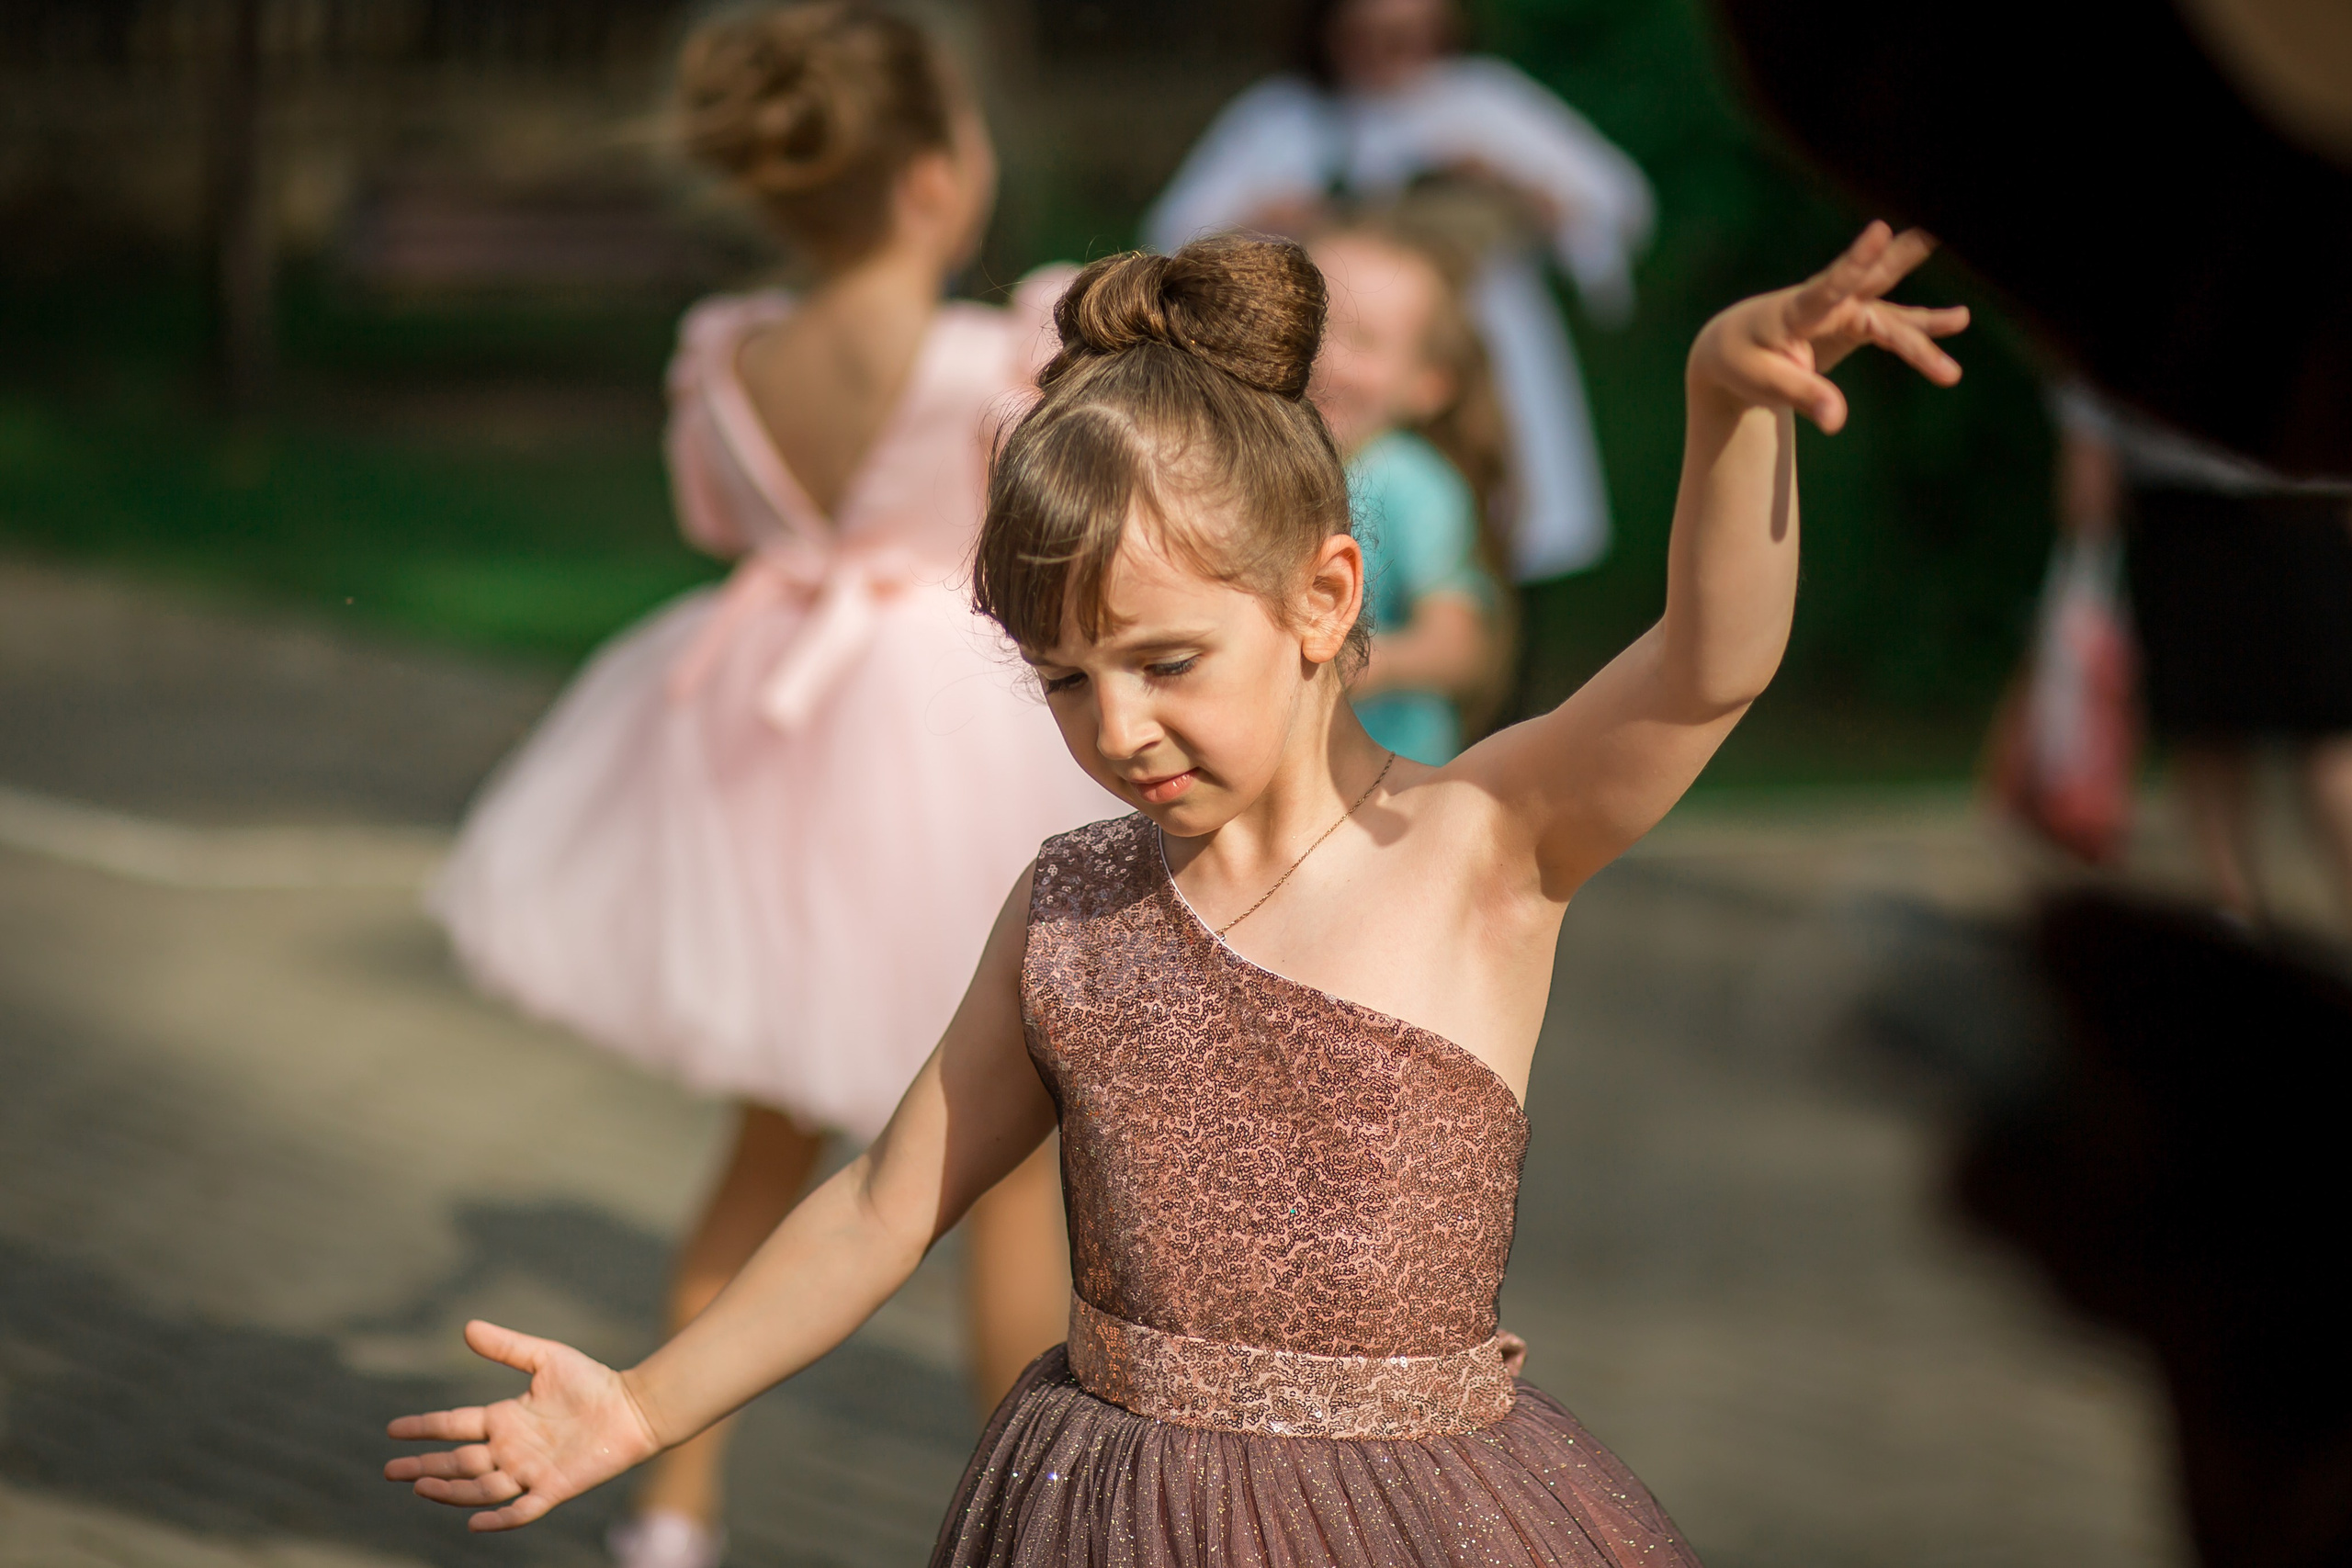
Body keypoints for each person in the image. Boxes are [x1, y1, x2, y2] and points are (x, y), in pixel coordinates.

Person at [384, 224, 1966, 1565]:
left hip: (1409, 1516)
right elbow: (882, 1206)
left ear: (1324, 597)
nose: (1116, 727)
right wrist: (649, 1403)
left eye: (1165, 661)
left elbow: (1710, 666)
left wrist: (1726, 404)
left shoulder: (1489, 839)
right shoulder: (1073, 907)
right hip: (1112, 1511)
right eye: (1064, 680)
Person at [424, 6, 1108, 1565]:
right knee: (1006, 1177)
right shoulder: (983, 353)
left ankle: (672, 1513)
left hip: (776, 748)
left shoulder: (728, 350)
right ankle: (1048, 1537)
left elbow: (714, 508)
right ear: (936, 179)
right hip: (947, 740)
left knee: (768, 1151)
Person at [1143, 0, 1653, 583]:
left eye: (1408, 37)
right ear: (1329, 33)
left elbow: (1617, 203)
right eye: (1369, 37)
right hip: (1340, 369)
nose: (1390, 56)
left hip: (1488, 353)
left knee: (1495, 529)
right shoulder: (1281, 119)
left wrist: (1506, 184)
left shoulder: (1484, 102)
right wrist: (1267, 218)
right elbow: (1172, 237)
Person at [2052, 382, 2352, 923]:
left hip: (2289, 489)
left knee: (2323, 735)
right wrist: (2089, 434)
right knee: (2213, 729)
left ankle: (2237, 919)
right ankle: (2236, 921)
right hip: (2197, 492)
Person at [1309, 213, 1509, 762]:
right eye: (1314, 325)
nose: (1328, 358)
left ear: (1429, 384)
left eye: (1365, 341)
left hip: (1390, 784)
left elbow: (1461, 647)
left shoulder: (1412, 485)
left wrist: (1362, 664)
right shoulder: (1241, 461)